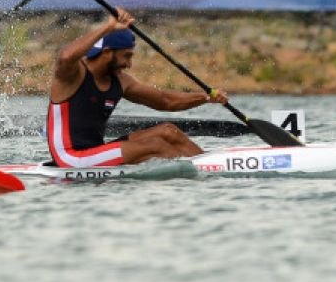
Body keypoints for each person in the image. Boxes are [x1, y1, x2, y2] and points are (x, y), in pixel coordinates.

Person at [47, 9, 228, 167]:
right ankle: (198, 172)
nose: (129, 64)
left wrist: (205, 97)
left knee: (168, 131)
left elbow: (165, 100)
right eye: (126, 56)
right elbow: (65, 57)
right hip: (70, 158)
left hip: (96, 151)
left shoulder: (121, 81)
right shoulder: (73, 74)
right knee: (156, 146)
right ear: (107, 52)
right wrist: (108, 27)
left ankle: (208, 165)